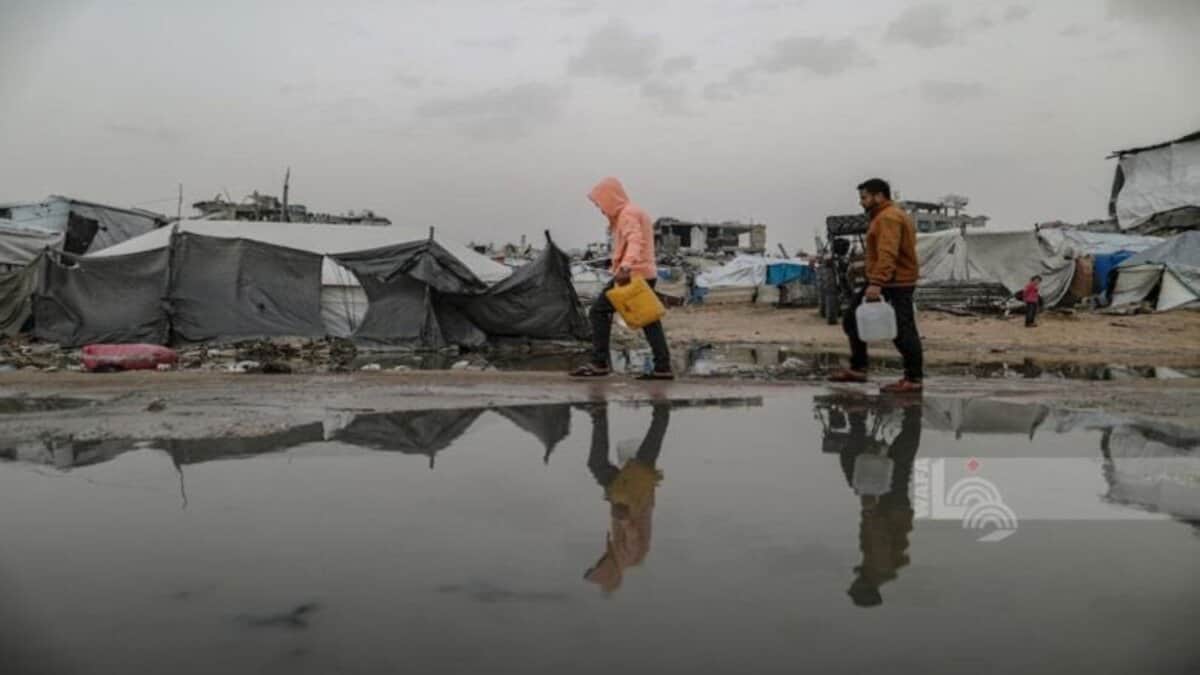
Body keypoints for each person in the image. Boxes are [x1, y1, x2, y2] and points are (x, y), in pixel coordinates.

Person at [570, 177, 674, 380]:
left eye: (600, 203)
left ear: (610, 198)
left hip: (632, 275)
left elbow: (636, 240)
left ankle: (600, 362)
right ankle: (663, 366)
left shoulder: (627, 215)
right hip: (644, 274)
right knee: (649, 320)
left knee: (598, 312)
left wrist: (625, 266)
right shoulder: (633, 212)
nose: (600, 209)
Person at [829, 178, 924, 393]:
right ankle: (859, 368)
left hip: (895, 282)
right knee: (852, 320)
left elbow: (887, 252)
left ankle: (914, 379)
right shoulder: (884, 216)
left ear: (879, 196)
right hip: (891, 279)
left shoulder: (888, 218)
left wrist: (877, 282)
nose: (861, 202)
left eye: (864, 198)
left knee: (903, 330)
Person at [582, 401, 669, 593]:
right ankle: (662, 410)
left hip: (620, 495)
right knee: (647, 455)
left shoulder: (613, 553)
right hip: (637, 497)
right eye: (598, 566)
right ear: (608, 570)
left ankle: (599, 415)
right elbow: (633, 537)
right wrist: (624, 520)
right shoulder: (629, 558)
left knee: (596, 464)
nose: (598, 561)